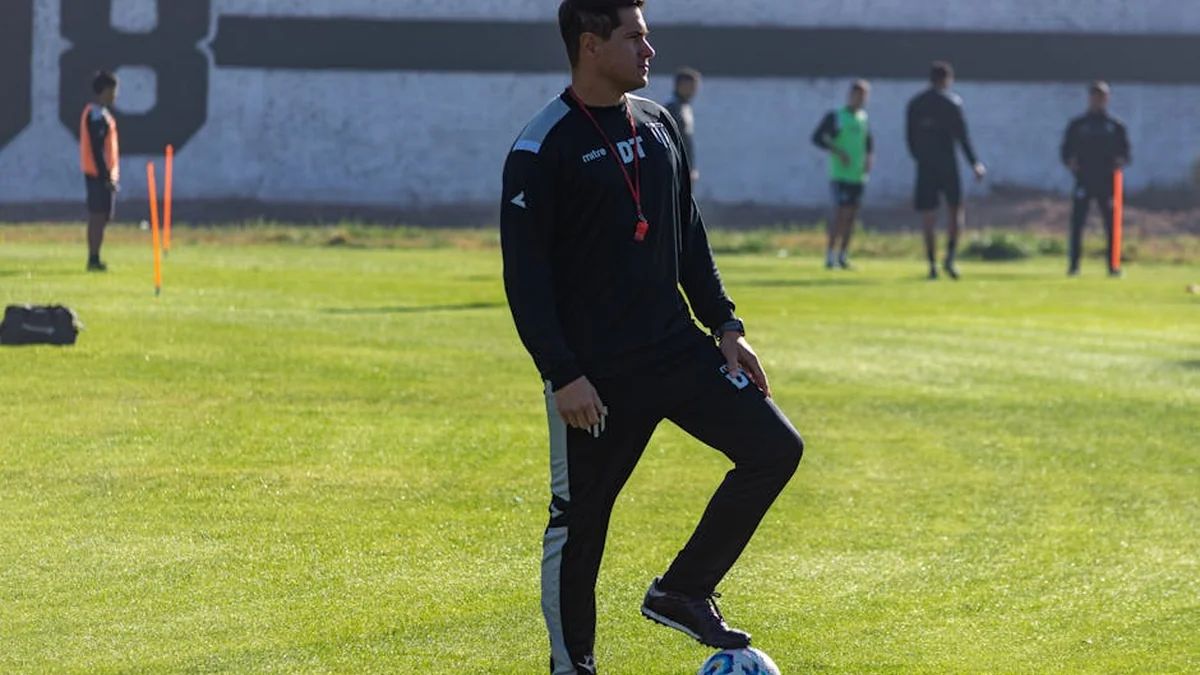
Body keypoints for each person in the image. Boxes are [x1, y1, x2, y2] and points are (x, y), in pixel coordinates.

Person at [500, 2, 804, 673]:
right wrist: (563, 374)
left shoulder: (660, 123)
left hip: (677, 348)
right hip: (597, 377)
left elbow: (687, 232)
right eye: (634, 36)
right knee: (581, 520)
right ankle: (573, 665)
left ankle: (682, 590)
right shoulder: (540, 147)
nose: (649, 49)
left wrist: (725, 323)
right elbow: (525, 279)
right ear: (590, 45)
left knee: (775, 449)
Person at [906, 61, 986, 280]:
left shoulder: (915, 104)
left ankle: (932, 263)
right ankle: (950, 258)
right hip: (947, 164)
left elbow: (910, 139)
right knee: (955, 210)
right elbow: (962, 137)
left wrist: (921, 159)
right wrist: (974, 163)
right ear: (947, 79)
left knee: (928, 215)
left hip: (926, 166)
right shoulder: (952, 103)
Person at [1060, 81, 1130, 277]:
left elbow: (1125, 153)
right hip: (1084, 179)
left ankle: (1113, 265)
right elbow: (1066, 150)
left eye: (1101, 96)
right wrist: (1071, 163)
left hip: (1107, 182)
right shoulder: (1078, 125)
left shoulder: (1115, 126)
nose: (1097, 100)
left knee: (1111, 224)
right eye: (1094, 96)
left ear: (1106, 99)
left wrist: (1119, 161)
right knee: (1078, 222)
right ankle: (1074, 265)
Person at [811, 80, 874, 270]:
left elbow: (868, 143)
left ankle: (843, 255)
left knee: (852, 217)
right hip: (841, 174)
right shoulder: (837, 116)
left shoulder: (862, 118)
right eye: (858, 95)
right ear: (850, 95)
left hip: (858, 175)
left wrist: (869, 161)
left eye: (864, 96)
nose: (861, 99)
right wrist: (838, 152)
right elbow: (817, 138)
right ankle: (830, 255)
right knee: (841, 214)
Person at [80, 70, 120, 272]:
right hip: (97, 174)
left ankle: (95, 257)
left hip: (101, 173)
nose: (115, 95)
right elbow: (97, 149)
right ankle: (93, 258)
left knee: (103, 216)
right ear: (103, 91)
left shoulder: (101, 114)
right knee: (98, 215)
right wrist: (106, 176)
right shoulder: (96, 115)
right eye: (112, 91)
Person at [664, 67, 701, 183]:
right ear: (681, 85)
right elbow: (676, 141)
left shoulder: (684, 106)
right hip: (676, 168)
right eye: (692, 86)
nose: (695, 90)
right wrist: (685, 167)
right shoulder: (672, 109)